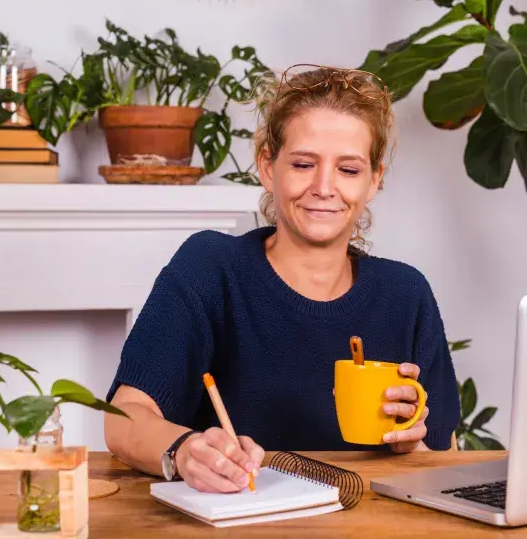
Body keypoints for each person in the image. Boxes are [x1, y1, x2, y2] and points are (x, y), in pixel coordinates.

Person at [104, 64, 461, 493]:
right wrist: (184, 450)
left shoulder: (405, 293)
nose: (324, 187)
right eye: (304, 164)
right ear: (268, 167)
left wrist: (414, 446)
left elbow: (445, 459)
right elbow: (124, 417)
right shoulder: (211, 267)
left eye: (348, 170)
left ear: (373, 181)